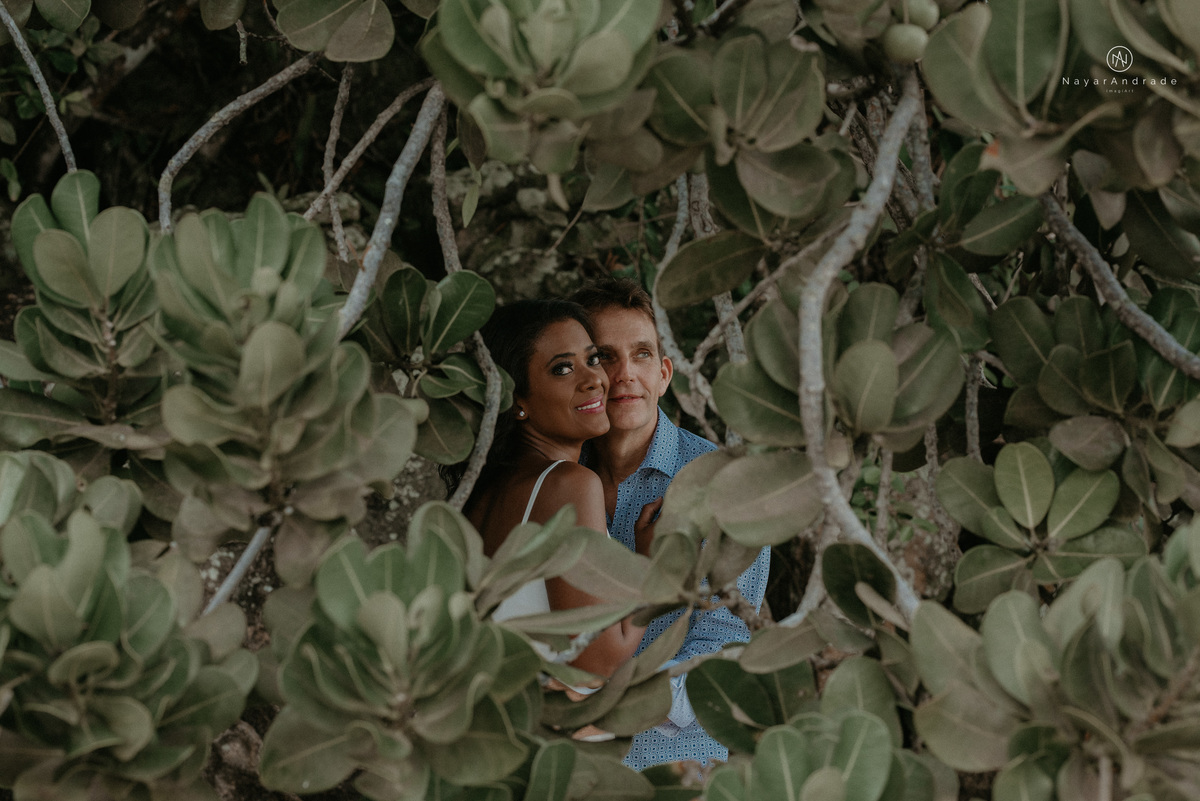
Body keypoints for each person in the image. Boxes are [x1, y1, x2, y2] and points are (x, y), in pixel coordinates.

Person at [571, 277, 772, 770]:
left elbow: (722, 643)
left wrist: (614, 713)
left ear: (664, 374)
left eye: (641, 355)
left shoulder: (721, 485)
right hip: (566, 759)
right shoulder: (560, 480)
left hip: (679, 763)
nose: (624, 374)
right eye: (603, 356)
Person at [444, 298, 647, 678]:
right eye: (562, 369)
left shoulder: (485, 492)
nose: (595, 379)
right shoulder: (568, 485)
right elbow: (600, 661)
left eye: (593, 359)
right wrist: (654, 563)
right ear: (517, 400)